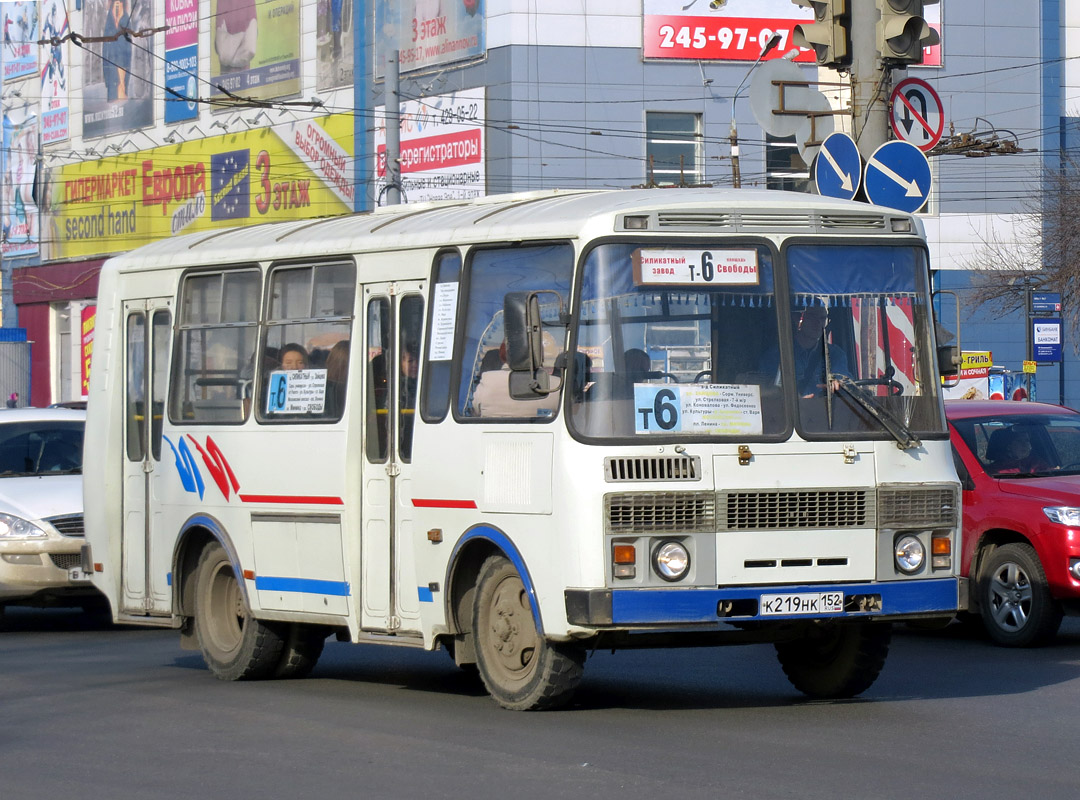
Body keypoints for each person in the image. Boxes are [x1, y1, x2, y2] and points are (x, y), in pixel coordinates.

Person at [759, 305, 849, 398]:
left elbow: (844, 382)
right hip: (789, 411)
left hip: (825, 411)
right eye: (812, 317)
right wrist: (799, 402)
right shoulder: (776, 356)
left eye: (822, 318)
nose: (818, 323)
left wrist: (838, 385)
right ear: (797, 319)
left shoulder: (835, 355)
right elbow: (768, 393)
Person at [473, 334, 560, 418]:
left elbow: (475, 410)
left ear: (502, 354)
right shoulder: (555, 385)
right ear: (540, 356)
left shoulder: (487, 380)